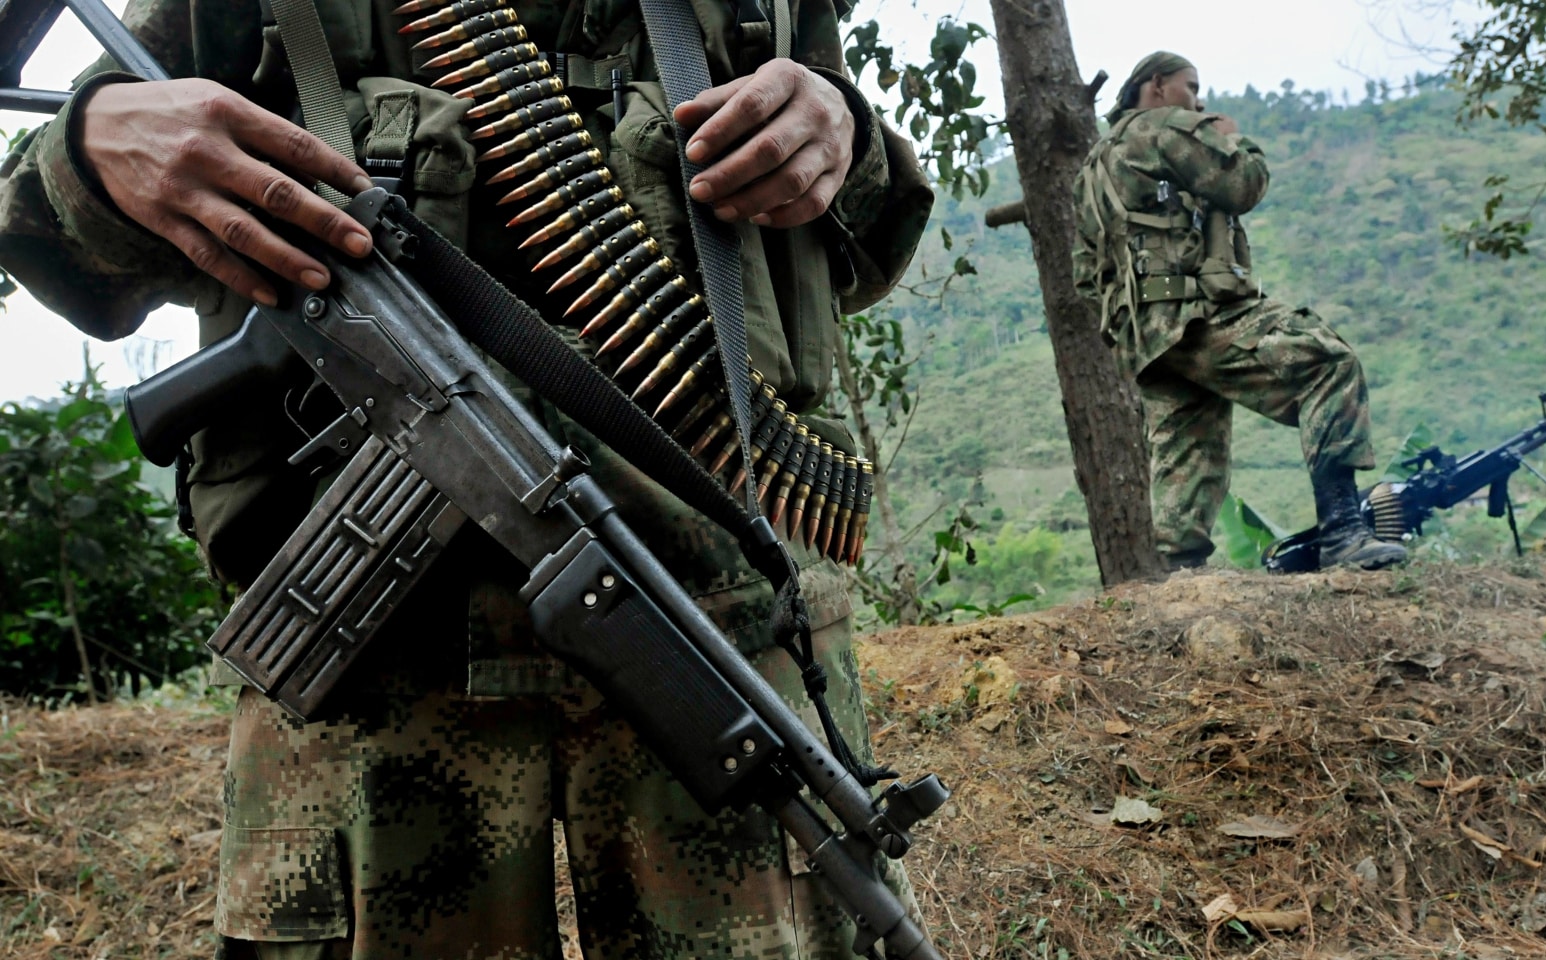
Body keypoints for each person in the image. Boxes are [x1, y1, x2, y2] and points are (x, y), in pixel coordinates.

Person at [0, 0, 935, 956]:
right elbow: (41, 219)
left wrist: (839, 138)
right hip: (365, 666)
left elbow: (852, 248)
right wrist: (93, 148)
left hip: (713, 632)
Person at [1071, 51, 1405, 572]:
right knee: (1328, 362)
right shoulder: (1165, 126)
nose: (1198, 99)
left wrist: (1131, 329)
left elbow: (1086, 274)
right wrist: (1234, 138)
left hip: (1148, 338)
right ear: (1156, 86)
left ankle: (1181, 581)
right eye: (1189, 86)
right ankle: (1344, 533)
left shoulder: (1093, 166)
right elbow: (1242, 184)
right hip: (1193, 315)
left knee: (1187, 449)